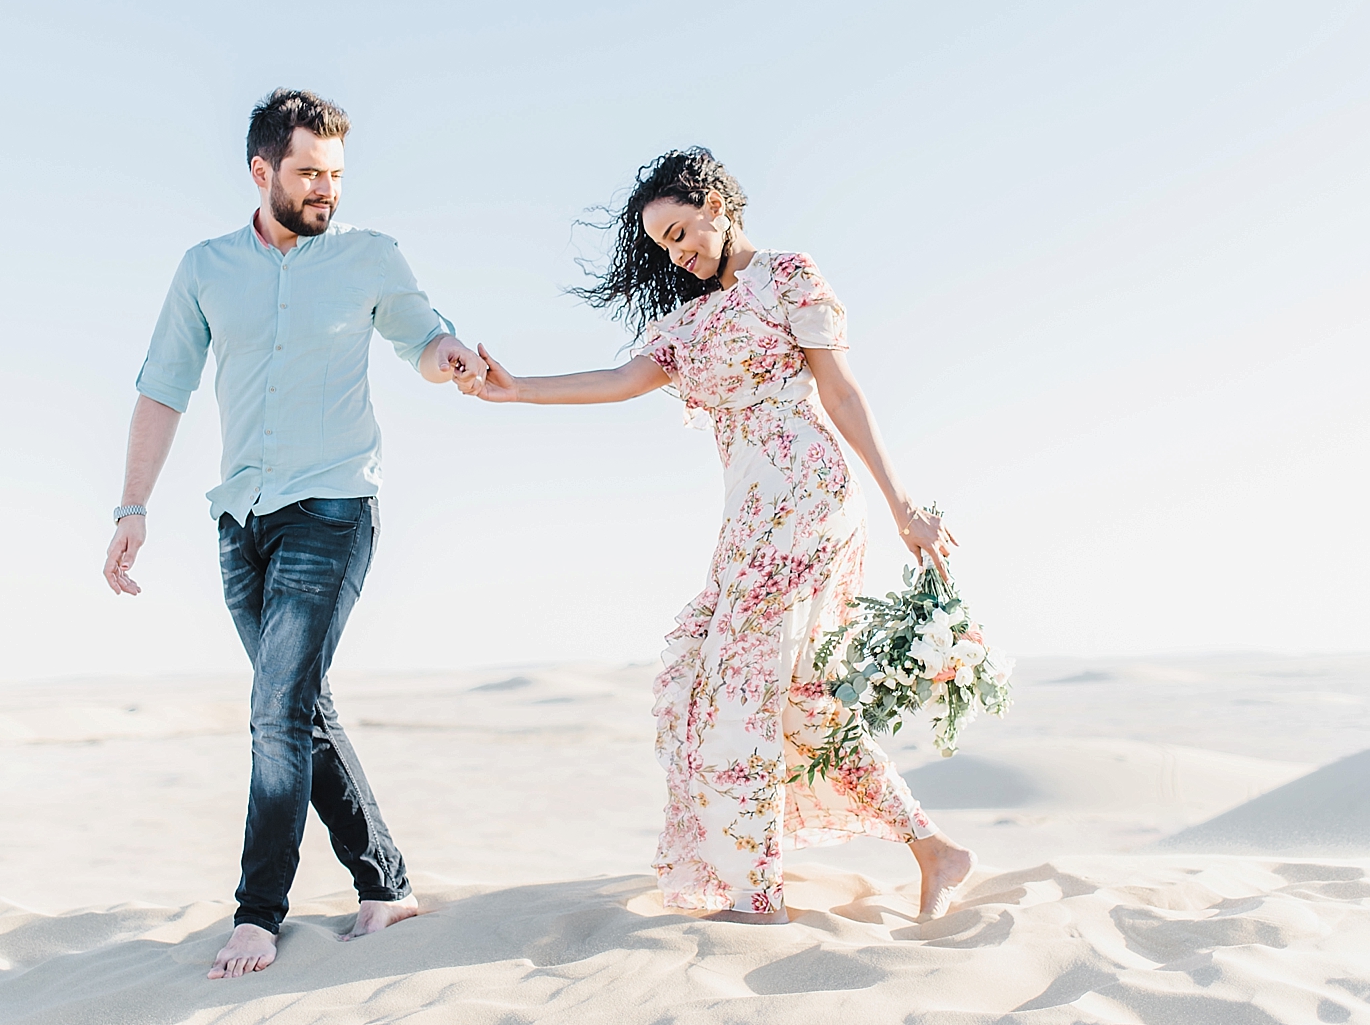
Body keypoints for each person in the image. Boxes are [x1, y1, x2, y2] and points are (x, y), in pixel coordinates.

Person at [468, 147, 974, 923]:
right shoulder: (690, 320)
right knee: (780, 697)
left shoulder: (787, 277)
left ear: (715, 203)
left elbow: (840, 391)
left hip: (809, 499)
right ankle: (934, 850)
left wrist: (903, 504)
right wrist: (516, 393)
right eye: (663, 245)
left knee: (742, 688)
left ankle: (757, 893)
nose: (677, 252)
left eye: (680, 231)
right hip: (747, 520)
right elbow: (618, 382)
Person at [103, 89, 483, 977]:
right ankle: (384, 883)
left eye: (337, 176)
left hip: (335, 506)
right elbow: (163, 388)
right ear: (262, 170)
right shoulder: (205, 269)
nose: (326, 191)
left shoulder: (368, 259)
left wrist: (451, 359)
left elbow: (422, 339)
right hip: (241, 520)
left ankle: (258, 913)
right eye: (309, 173)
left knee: (275, 708)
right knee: (300, 709)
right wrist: (132, 508)